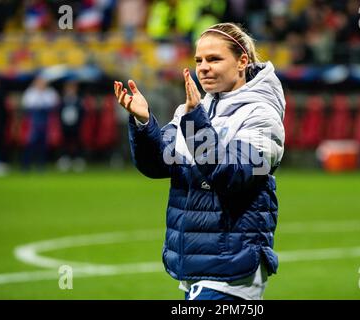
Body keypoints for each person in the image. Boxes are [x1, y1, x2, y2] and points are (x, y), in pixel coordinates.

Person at [114, 22, 285, 300]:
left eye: (214, 59)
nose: (203, 67)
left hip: (232, 268)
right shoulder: (195, 109)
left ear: (242, 61)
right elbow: (158, 165)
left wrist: (195, 122)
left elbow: (233, 177)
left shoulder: (262, 116)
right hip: (198, 269)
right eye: (199, 60)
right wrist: (144, 122)